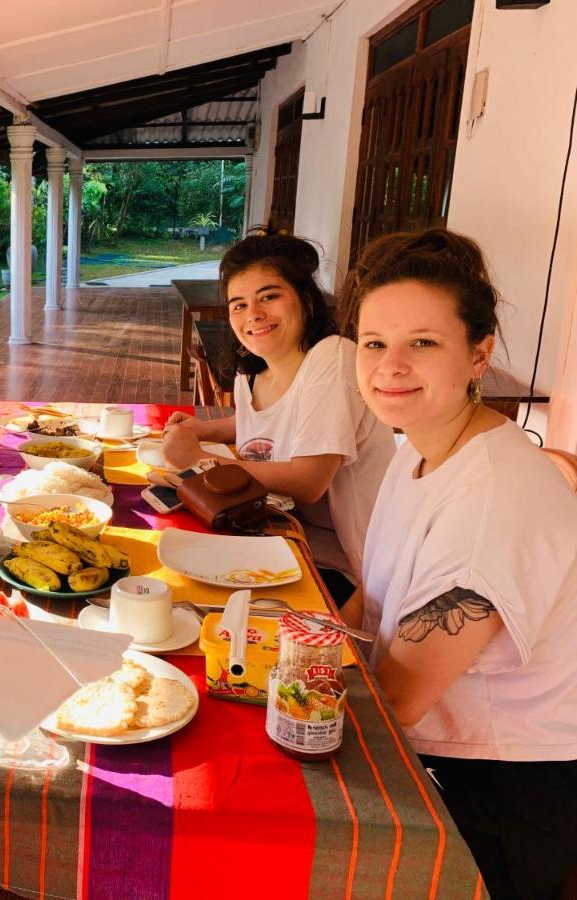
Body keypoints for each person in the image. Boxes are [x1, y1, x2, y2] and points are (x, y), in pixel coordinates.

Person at [340, 228, 577, 899]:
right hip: (436, 750)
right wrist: (298, 642)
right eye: (374, 343)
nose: (390, 366)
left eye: (423, 342)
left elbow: (397, 700)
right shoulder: (418, 448)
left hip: (498, 792)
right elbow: (371, 600)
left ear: (479, 354)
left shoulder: (494, 498)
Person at [162, 229, 395, 593]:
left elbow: (308, 481)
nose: (253, 314)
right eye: (239, 305)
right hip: (282, 535)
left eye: (269, 296)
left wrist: (201, 459)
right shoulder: (252, 369)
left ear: (306, 300)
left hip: (349, 563)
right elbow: (260, 421)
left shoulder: (333, 358)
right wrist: (202, 429)